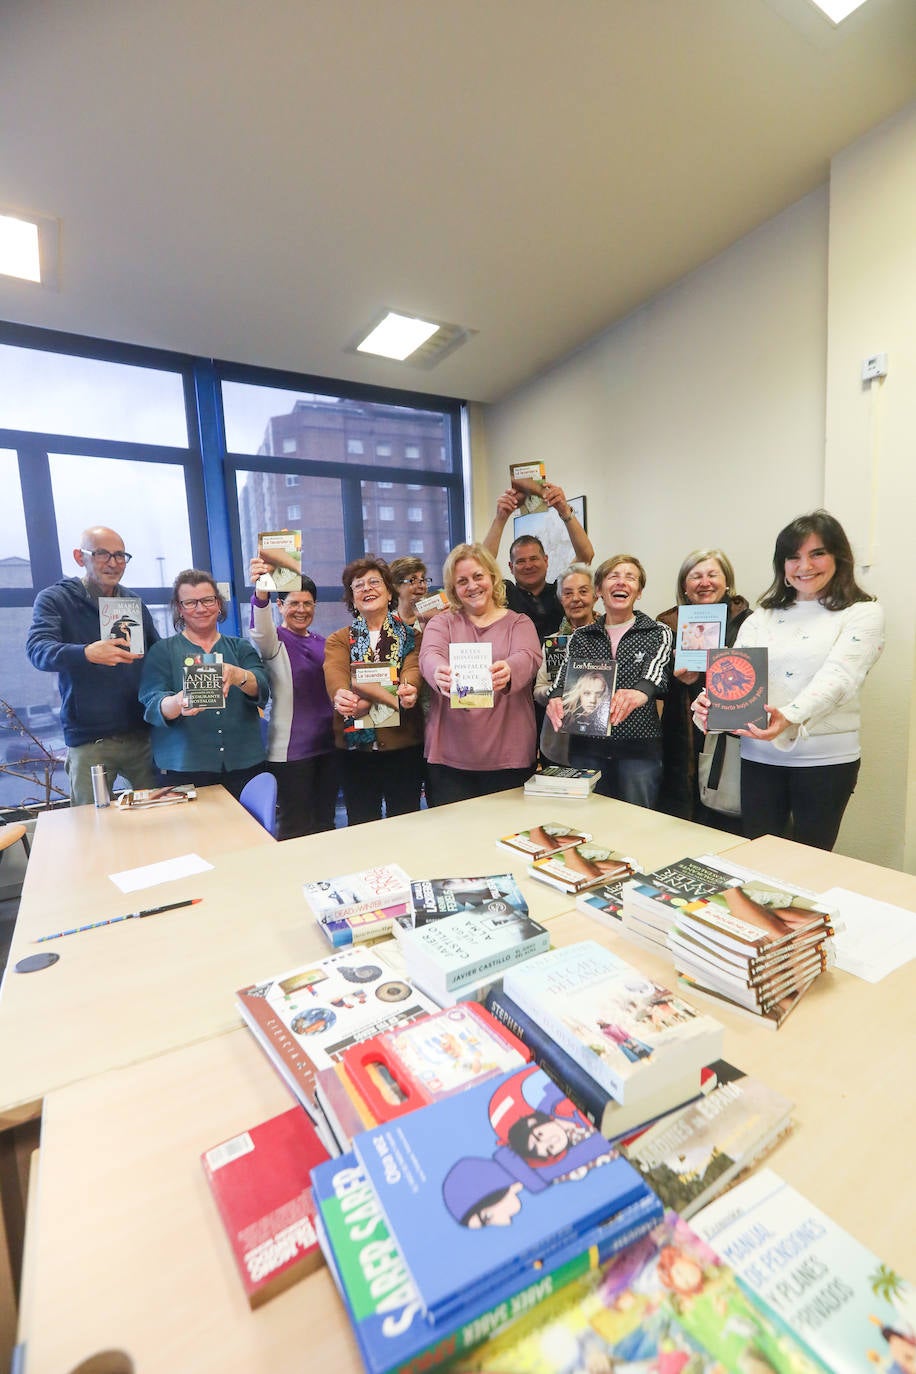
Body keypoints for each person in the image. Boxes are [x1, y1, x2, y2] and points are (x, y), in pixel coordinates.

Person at [692, 511, 885, 851]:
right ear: (782, 565)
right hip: (758, 757)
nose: (804, 565)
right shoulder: (763, 615)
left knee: (810, 860)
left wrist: (790, 716)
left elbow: (841, 677)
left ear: (839, 557)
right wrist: (711, 705)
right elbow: (736, 672)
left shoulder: (863, 612)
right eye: (793, 556)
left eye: (817, 553)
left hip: (825, 761)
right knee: (760, 854)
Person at [25, 525, 160, 805]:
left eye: (120, 555)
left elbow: (157, 656)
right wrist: (86, 653)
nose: (113, 563)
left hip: (141, 734)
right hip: (90, 740)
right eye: (102, 554)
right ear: (79, 557)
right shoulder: (56, 599)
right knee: (91, 824)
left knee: (157, 817)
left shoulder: (132, 602)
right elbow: (38, 650)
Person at [419, 543, 542, 806]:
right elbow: (429, 655)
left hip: (509, 754)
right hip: (450, 755)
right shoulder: (442, 623)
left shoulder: (519, 623)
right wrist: (438, 671)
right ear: (453, 589)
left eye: (478, 577)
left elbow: (529, 656)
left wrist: (510, 668)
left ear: (493, 578)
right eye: (462, 581)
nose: (472, 586)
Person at [547, 555, 673, 809]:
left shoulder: (657, 631)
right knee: (588, 820)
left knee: (638, 822)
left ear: (639, 592)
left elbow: (656, 672)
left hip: (638, 750)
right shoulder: (582, 636)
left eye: (630, 578)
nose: (622, 582)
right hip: (586, 749)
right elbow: (563, 678)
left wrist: (640, 693)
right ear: (599, 590)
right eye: (613, 576)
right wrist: (555, 698)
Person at [138, 570, 269, 799]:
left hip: (243, 764)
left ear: (218, 604)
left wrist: (239, 675)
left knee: (246, 833)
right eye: (190, 602)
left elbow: (262, 688)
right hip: (184, 768)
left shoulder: (240, 647)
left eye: (208, 600)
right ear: (179, 608)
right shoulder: (162, 651)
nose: (200, 608)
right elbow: (151, 703)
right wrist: (177, 702)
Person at [323, 556, 423, 825]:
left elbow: (412, 668)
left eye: (374, 582)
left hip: (403, 746)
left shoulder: (411, 635)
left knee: (405, 824)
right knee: (361, 825)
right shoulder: (339, 639)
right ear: (352, 598)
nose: (367, 589)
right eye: (359, 586)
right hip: (355, 751)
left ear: (389, 591)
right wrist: (341, 695)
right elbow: (335, 672)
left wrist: (409, 686)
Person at [656, 548, 751, 827]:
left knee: (721, 811)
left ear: (727, 581)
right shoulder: (668, 624)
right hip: (679, 728)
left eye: (712, 574)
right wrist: (678, 678)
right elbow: (657, 680)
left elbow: (750, 678)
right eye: (695, 576)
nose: (704, 582)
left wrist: (702, 679)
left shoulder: (747, 623)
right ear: (684, 586)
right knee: (679, 811)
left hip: (726, 732)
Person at [247, 555, 337, 839]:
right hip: (290, 752)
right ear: (280, 605)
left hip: (328, 747)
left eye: (307, 603)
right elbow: (260, 629)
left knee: (326, 824)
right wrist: (262, 590)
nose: (301, 609)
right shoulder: (274, 641)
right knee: (296, 828)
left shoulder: (325, 643)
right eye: (293, 603)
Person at [481, 483, 594, 641]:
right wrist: (501, 518)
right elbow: (480, 566)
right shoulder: (504, 594)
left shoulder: (561, 591)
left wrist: (564, 510)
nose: (528, 566)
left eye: (534, 558)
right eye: (521, 561)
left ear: (546, 560)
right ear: (511, 567)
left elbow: (586, 556)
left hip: (559, 663)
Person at [533, 563, 598, 765]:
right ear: (561, 600)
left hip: (600, 746)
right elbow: (538, 690)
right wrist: (556, 694)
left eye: (583, 591)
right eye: (568, 593)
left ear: (596, 595)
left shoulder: (609, 638)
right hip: (558, 745)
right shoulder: (554, 642)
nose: (576, 599)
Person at [388, 556, 443, 628]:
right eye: (413, 580)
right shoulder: (386, 624)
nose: (422, 586)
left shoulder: (437, 616)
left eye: (423, 579)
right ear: (396, 587)